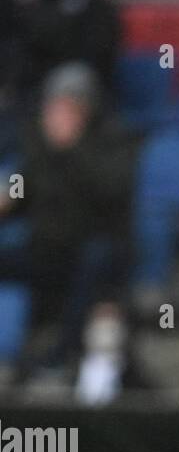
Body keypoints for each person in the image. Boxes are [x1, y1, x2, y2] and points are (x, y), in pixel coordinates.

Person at [0, 62, 134, 386]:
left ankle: (60, 355)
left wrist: (73, 149)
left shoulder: (112, 143)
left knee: (95, 262)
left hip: (92, 249)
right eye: (54, 105)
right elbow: (22, 189)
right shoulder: (37, 146)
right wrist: (7, 197)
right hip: (46, 248)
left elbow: (110, 191)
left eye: (68, 107)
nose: (57, 114)